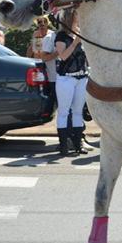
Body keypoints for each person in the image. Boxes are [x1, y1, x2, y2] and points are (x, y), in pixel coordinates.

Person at [54, 9, 89, 156]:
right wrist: (75, 43)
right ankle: (63, 145)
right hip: (66, 78)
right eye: (77, 16)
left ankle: (78, 144)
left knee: (78, 111)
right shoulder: (61, 36)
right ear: (70, 18)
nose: (79, 18)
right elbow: (63, 56)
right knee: (64, 111)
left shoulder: (81, 33)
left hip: (81, 77)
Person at [28, 15, 57, 117]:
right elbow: (35, 55)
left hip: (53, 70)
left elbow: (42, 56)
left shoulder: (52, 35)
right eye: (39, 22)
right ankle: (46, 112)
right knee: (44, 92)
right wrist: (34, 41)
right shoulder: (37, 35)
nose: (42, 24)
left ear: (48, 23)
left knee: (54, 92)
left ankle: (50, 112)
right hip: (42, 70)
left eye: (44, 21)